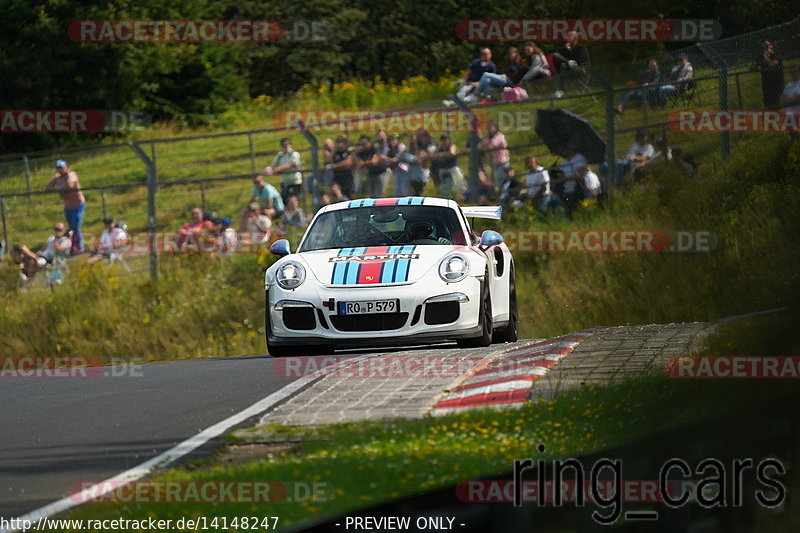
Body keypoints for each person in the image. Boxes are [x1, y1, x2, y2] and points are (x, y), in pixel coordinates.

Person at [45, 160, 86, 253]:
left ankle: (79, 247)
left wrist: (58, 188)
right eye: (58, 168)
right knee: (70, 227)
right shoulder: (57, 178)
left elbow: (70, 185)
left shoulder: (71, 174)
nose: (60, 170)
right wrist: (56, 184)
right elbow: (48, 187)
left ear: (66, 167)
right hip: (68, 206)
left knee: (76, 227)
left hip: (77, 204)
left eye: (61, 167)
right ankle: (70, 245)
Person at [12, 223, 72, 287]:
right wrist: (39, 252)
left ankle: (26, 278)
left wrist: (56, 240)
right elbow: (44, 248)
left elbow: (58, 249)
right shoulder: (51, 237)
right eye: (55, 229)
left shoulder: (66, 241)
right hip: (42, 257)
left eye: (59, 230)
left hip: (51, 258)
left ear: (64, 230)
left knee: (28, 257)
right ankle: (24, 276)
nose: (57, 231)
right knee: (27, 256)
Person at [551, 31, 590, 97]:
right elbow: (558, 58)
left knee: (565, 66)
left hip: (580, 69)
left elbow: (581, 61)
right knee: (558, 58)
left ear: (575, 38)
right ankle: (560, 90)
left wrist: (570, 52)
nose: (568, 38)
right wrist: (568, 51)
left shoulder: (581, 48)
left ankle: (560, 90)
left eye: (570, 36)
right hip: (568, 69)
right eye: (567, 36)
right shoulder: (566, 49)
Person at [430, 134, 466, 199]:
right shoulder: (439, 148)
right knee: (445, 188)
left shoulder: (452, 146)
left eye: (446, 139)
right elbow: (434, 156)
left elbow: (452, 153)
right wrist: (441, 155)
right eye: (443, 140)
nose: (444, 141)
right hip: (443, 170)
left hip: (453, 168)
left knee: (459, 181)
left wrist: (442, 155)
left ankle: (463, 194)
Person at [477, 121, 510, 190]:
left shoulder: (499, 136)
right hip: (496, 164)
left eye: (491, 128)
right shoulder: (490, 138)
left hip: (502, 163)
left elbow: (491, 146)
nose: (489, 130)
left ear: (496, 128)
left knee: (502, 182)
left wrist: (482, 147)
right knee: (497, 182)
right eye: (488, 128)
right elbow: (480, 145)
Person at [751, 41, 784, 109]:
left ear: (771, 46)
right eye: (764, 47)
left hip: (777, 84)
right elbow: (752, 68)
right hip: (767, 86)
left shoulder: (776, 55)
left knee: (778, 105)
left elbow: (772, 64)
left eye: (767, 46)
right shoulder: (760, 58)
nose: (765, 49)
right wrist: (755, 66)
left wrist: (765, 57)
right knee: (768, 105)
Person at [553, 146, 587, 211]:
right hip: (566, 188)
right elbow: (561, 176)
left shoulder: (579, 158)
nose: (561, 151)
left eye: (563, 149)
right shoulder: (564, 162)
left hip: (578, 186)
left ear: (569, 149)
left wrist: (565, 178)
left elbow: (578, 176)